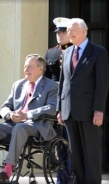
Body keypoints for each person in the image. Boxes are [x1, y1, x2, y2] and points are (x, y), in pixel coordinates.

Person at [0, 54, 58, 182]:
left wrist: (28, 114)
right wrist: (10, 114)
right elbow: (5, 107)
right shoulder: (18, 85)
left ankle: (7, 171)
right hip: (14, 124)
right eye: (25, 67)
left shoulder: (52, 86)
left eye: (30, 67)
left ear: (41, 69)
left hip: (37, 125)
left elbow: (52, 108)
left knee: (20, 127)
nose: (26, 70)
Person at [57, 18, 109, 184]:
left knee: (90, 151)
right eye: (68, 30)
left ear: (84, 32)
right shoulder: (66, 53)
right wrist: (60, 108)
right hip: (69, 110)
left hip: (88, 111)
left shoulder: (98, 52)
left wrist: (99, 109)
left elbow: (102, 84)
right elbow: (63, 82)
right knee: (76, 152)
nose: (68, 33)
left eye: (72, 30)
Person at [44, 17, 72, 184]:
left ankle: (72, 176)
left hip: (71, 103)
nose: (60, 35)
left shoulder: (76, 51)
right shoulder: (51, 52)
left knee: (70, 143)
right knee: (59, 143)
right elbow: (46, 80)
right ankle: (62, 178)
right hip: (55, 104)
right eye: (58, 32)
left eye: (63, 32)